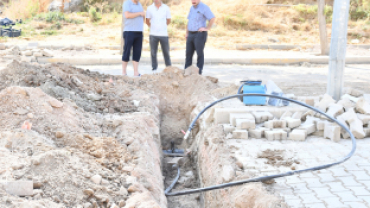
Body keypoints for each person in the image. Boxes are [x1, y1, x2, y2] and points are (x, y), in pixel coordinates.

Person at [185, 0, 215, 75]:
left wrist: (207, 28)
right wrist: (187, 33)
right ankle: (187, 72)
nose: (193, 1)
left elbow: (212, 18)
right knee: (188, 54)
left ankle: (198, 73)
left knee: (199, 54)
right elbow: (189, 21)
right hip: (190, 34)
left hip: (199, 34)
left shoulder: (204, 7)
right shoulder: (191, 8)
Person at [146, 0, 172, 74]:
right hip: (153, 34)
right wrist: (152, 27)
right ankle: (154, 69)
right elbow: (147, 20)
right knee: (153, 52)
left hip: (164, 34)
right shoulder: (149, 8)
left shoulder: (166, 8)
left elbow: (169, 20)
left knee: (166, 52)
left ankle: (169, 68)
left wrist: (163, 26)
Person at [122, 0, 145, 77]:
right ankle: (124, 72)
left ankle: (136, 72)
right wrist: (139, 13)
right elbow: (127, 15)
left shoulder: (139, 5)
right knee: (127, 51)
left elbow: (143, 16)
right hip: (129, 31)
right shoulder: (127, 3)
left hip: (139, 32)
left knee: (137, 52)